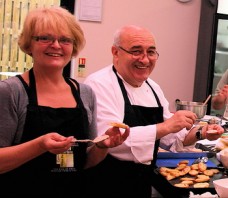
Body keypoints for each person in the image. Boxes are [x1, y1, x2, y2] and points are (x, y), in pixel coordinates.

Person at [0, 7, 130, 196]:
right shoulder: (11, 91)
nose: (56, 45)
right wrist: (40, 145)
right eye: (45, 38)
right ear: (29, 44)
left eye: (65, 40)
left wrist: (102, 145)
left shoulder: (85, 93)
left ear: (73, 46)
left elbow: (85, 161)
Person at [84, 25, 224, 198]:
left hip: (141, 180)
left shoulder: (153, 87)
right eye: (136, 51)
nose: (144, 60)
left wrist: (201, 133)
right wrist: (166, 126)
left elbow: (171, 138)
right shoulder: (98, 85)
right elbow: (113, 142)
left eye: (151, 52)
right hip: (106, 182)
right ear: (115, 52)